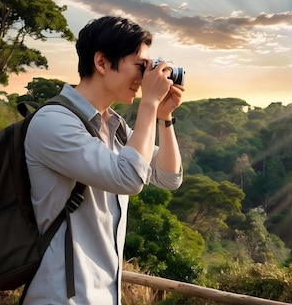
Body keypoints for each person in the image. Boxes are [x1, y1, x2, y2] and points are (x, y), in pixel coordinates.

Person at [22, 16, 184, 304]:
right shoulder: (54, 122)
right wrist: (148, 102)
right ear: (102, 62)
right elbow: (130, 179)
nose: (144, 77)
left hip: (104, 296)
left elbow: (168, 177)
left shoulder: (113, 126)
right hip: (61, 297)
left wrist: (163, 117)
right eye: (140, 65)